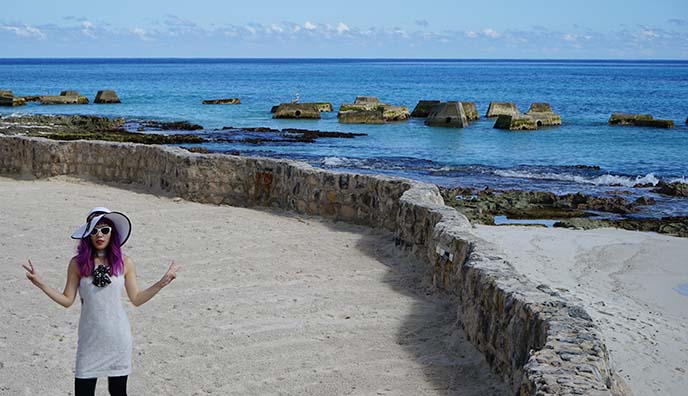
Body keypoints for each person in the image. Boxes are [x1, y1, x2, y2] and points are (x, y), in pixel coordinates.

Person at [22, 207, 180, 396]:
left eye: (105, 230)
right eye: (94, 230)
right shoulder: (77, 264)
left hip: (118, 338)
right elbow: (66, 300)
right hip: (89, 340)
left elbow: (137, 299)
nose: (100, 235)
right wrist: (40, 284)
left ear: (112, 233)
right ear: (87, 233)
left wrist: (162, 282)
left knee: (118, 393)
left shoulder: (125, 262)